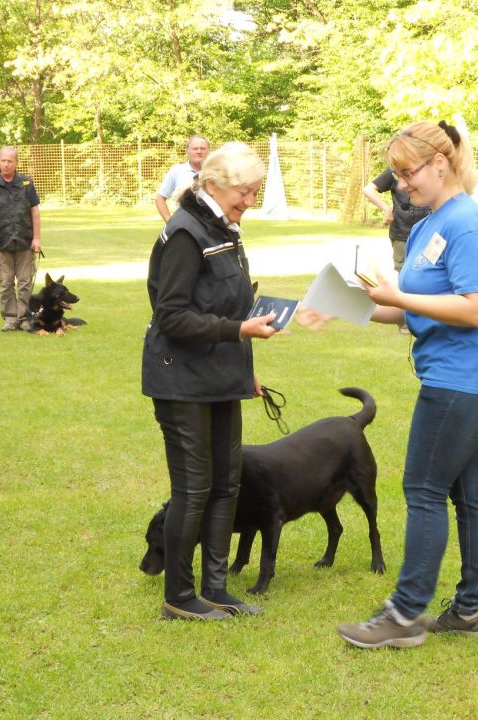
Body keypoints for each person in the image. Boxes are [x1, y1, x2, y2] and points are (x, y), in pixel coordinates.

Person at [336, 121, 478, 649]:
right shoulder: (427, 225)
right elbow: (409, 308)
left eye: (407, 171)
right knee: (470, 492)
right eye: (394, 174)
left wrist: (400, 296)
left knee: (423, 489)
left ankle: (405, 614)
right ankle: (472, 608)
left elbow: (475, 307)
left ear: (441, 162)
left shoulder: (469, 226)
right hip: (466, 373)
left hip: (470, 378)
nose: (400, 184)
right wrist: (340, 303)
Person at [142, 142, 278, 621]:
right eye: (245, 191)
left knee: (227, 484)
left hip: (223, 373)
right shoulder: (184, 232)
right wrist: (239, 330)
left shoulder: (227, 227)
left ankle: (217, 589)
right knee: (194, 489)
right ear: (215, 184)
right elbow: (172, 316)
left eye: (254, 192)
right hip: (180, 380)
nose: (250, 201)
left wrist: (246, 363)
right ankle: (179, 597)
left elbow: (229, 302)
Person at [0, 146, 42, 331]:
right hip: (0, 242)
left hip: (24, 240)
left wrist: (37, 238)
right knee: (6, 283)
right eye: (3, 160)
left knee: (25, 282)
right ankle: (10, 318)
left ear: (16, 163)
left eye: (9, 161)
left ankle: (23, 319)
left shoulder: (27, 183)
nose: (5, 164)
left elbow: (35, 212)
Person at [363, 168, 430, 272]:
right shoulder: (393, 171)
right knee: (402, 272)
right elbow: (368, 189)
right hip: (401, 235)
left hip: (429, 235)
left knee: (426, 273)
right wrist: (386, 209)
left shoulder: (428, 168)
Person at [155, 135, 210, 222]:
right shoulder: (177, 171)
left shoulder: (216, 172)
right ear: (187, 151)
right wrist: (169, 222)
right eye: (195, 148)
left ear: (208, 151)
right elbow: (160, 198)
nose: (199, 151)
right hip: (184, 226)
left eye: (202, 148)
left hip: (210, 226)